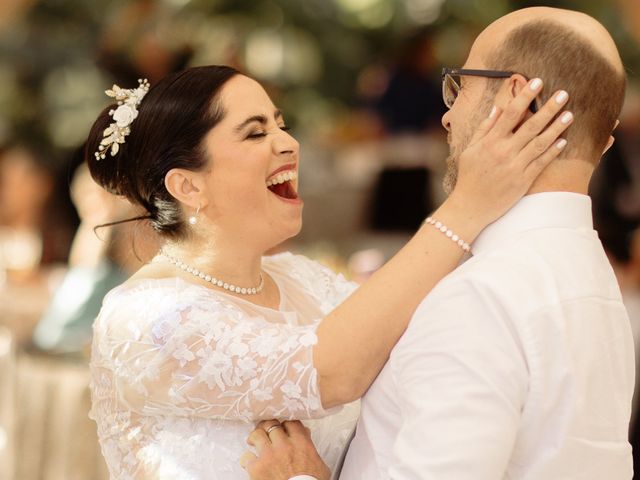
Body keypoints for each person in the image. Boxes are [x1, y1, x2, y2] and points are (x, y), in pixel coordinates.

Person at [86, 63, 571, 479]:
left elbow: (420, 335)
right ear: (187, 186)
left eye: (280, 123)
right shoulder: (145, 317)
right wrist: (466, 204)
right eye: (256, 132)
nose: (288, 142)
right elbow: (330, 373)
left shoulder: (303, 278)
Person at [242, 7, 632, 480]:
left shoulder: (481, 296)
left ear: (514, 97)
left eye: (459, 86)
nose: (447, 117)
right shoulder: (594, 279)